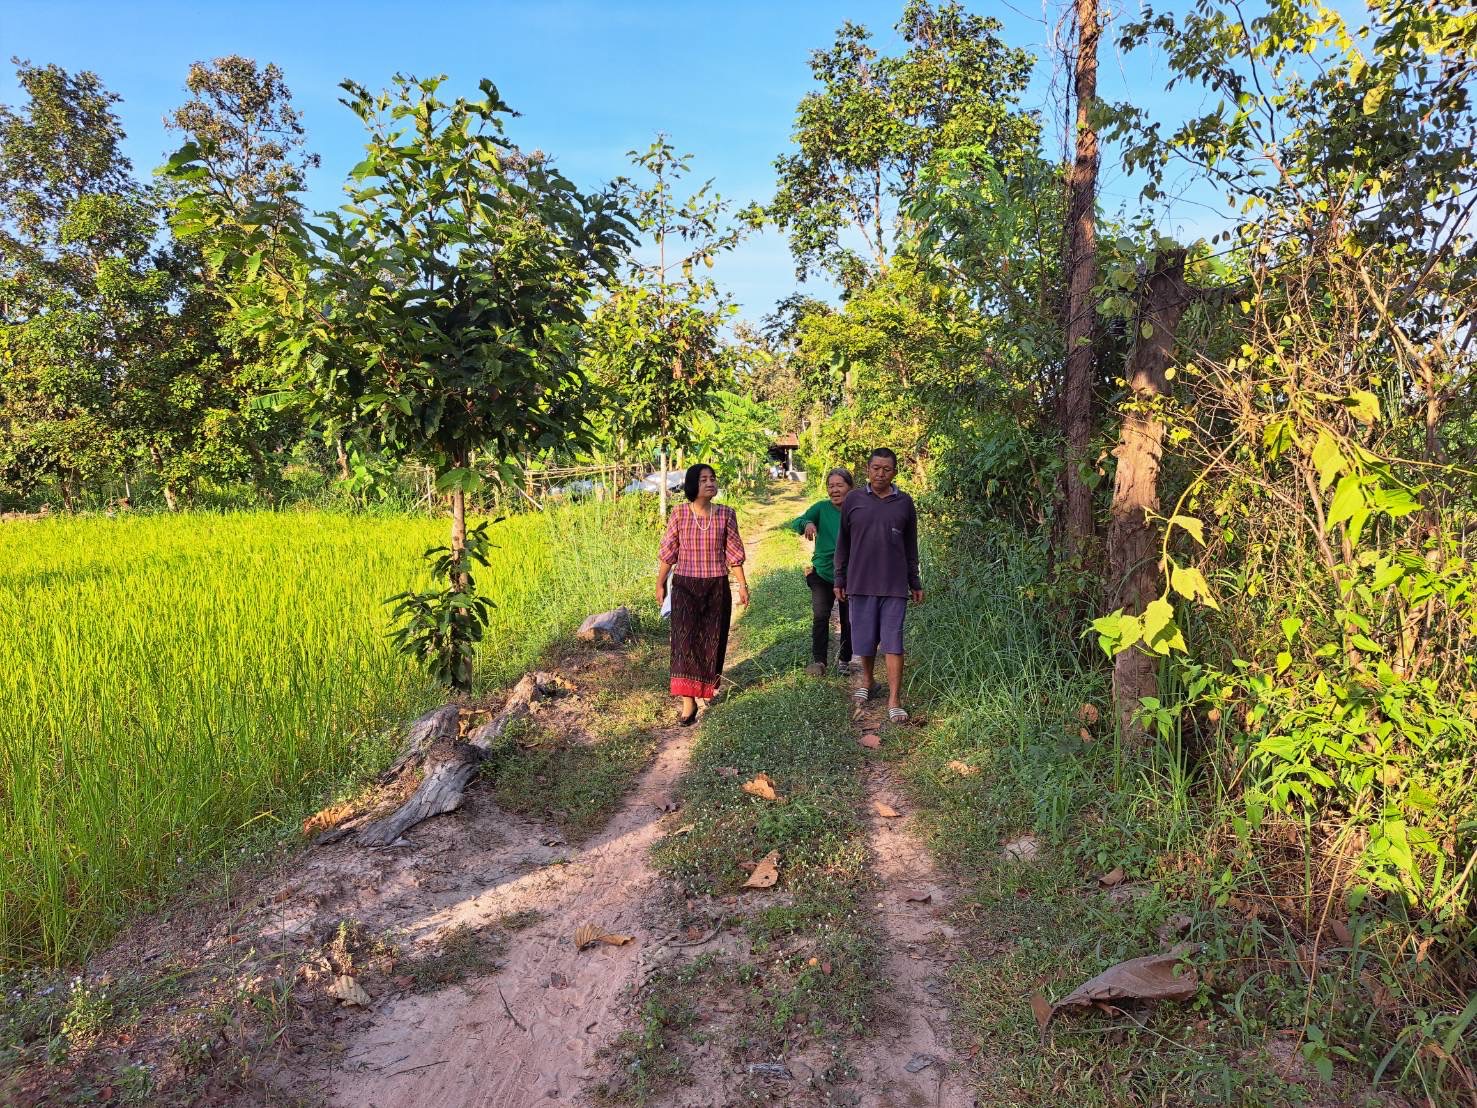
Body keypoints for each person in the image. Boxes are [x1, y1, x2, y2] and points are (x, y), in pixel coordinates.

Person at [833, 447, 923, 723]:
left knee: (894, 643)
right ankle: (869, 682)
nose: (880, 474)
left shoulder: (905, 503)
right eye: (876, 468)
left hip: (895, 585)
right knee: (865, 641)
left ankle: (895, 699)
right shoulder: (854, 500)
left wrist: (914, 581)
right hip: (860, 583)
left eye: (887, 469)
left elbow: (911, 546)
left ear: (895, 472)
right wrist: (839, 577)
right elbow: (843, 542)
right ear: (867, 470)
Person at [656, 463, 750, 725]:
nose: (710, 483)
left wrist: (742, 585)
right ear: (692, 485)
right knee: (684, 643)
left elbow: (734, 554)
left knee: (712, 639)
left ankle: (706, 688)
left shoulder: (726, 515)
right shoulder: (679, 514)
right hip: (685, 586)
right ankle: (688, 702)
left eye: (713, 479)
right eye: (704, 479)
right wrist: (660, 583)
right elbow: (668, 552)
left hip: (716, 586)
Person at [787, 467, 855, 677]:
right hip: (823, 573)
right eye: (830, 486)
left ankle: (844, 659)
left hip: (850, 575)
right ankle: (820, 662)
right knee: (820, 615)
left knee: (849, 619)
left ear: (850, 488)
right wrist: (807, 523)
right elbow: (796, 522)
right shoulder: (821, 508)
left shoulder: (857, 510)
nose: (834, 490)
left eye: (839, 485)